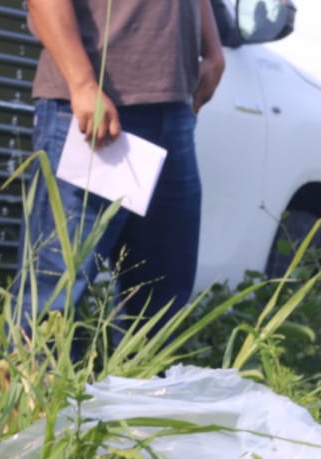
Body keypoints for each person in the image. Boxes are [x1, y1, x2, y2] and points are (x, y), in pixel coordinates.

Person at [16, 0, 226, 339]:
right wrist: (83, 84)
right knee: (54, 293)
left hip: (173, 110)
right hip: (95, 108)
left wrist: (213, 49)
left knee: (161, 305)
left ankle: (142, 378)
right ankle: (32, 374)